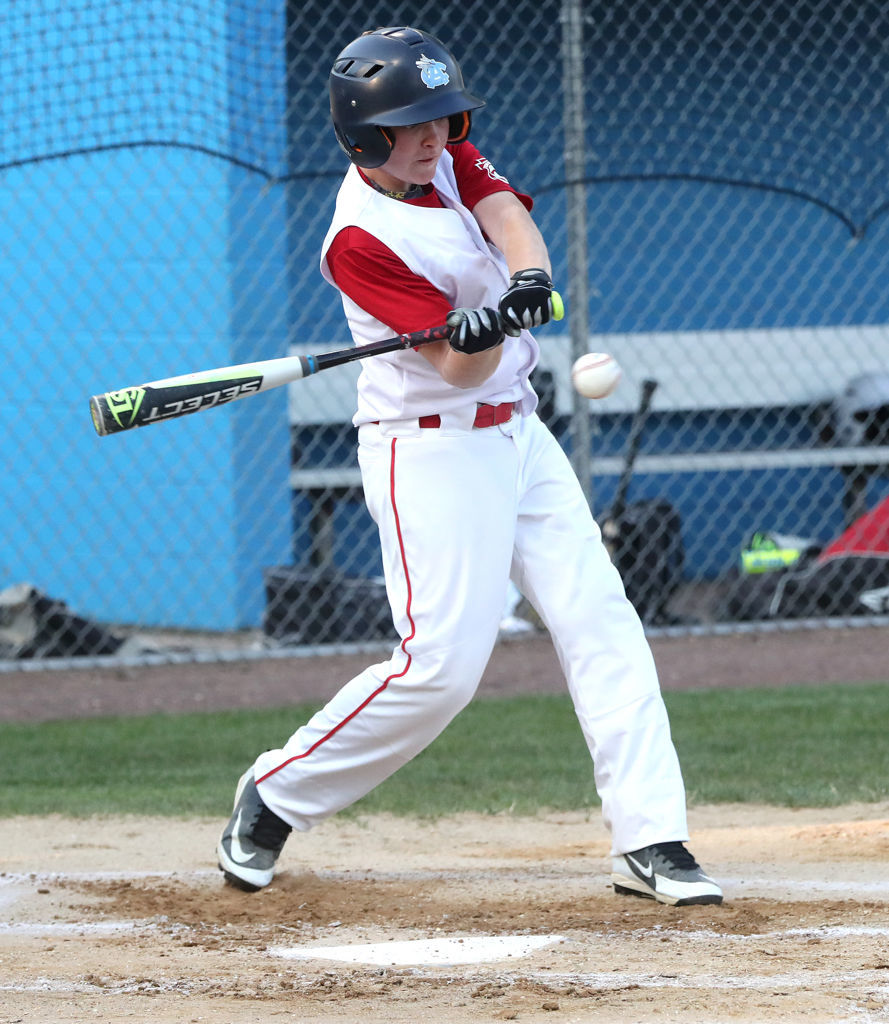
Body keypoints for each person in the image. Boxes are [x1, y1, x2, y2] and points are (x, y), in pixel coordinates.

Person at [217, 25, 722, 907]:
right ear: (364, 133)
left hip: (520, 436)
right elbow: (455, 368)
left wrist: (523, 285)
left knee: (601, 620)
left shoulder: (443, 157)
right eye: (412, 124)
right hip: (431, 449)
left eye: (442, 118)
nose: (434, 137)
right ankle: (275, 792)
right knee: (442, 667)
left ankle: (651, 838)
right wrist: (476, 336)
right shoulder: (357, 241)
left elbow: (504, 214)